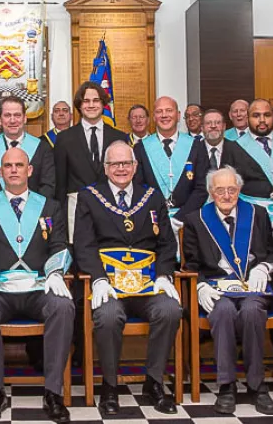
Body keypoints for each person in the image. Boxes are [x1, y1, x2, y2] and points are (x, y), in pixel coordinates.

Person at [73, 140, 181, 416]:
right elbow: (83, 245)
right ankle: (109, 386)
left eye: (126, 163)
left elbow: (167, 244)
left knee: (170, 310)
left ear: (135, 167)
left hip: (147, 285)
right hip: (109, 286)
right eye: (114, 164)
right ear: (105, 167)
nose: (121, 168)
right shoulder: (89, 196)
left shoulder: (153, 197)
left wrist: (165, 275)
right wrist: (97, 279)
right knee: (108, 317)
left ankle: (153, 382)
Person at [0, 147, 74, 424]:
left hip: (39, 288)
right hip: (0, 289)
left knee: (63, 306)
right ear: (0, 172)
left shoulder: (50, 206)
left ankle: (52, 392)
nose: (13, 170)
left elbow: (59, 244)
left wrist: (55, 273)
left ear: (30, 170)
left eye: (19, 165)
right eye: (7, 166)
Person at [182, 166, 273, 415]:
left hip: (252, 287)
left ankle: (257, 385)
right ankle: (226, 386)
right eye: (220, 190)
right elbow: (190, 264)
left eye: (232, 190)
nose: (226, 195)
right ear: (211, 192)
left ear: (240, 190)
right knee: (222, 311)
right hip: (217, 289)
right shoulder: (196, 219)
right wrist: (200, 284)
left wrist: (264, 267)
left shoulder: (257, 214)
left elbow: (272, 251)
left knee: (252, 312)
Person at [54, 81, 128, 240]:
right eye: (86, 101)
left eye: (96, 100)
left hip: (112, 210)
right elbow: (59, 183)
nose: (91, 105)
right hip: (76, 211)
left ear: (103, 104)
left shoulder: (119, 137)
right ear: (79, 106)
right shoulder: (64, 139)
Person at [133, 96, 209, 234]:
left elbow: (202, 188)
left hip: (189, 222)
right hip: (152, 223)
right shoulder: (140, 149)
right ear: (154, 117)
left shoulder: (196, 146)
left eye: (169, 110)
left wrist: (179, 218)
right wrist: (158, 217)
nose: (164, 115)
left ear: (178, 115)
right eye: (159, 111)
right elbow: (138, 187)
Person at [220, 99, 273, 221]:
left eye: (267, 115)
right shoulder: (233, 148)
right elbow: (227, 186)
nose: (262, 120)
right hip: (250, 215)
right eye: (256, 116)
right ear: (247, 118)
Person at [0, 96, 55, 199]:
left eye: (17, 115)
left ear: (25, 118)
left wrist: (28, 210)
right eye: (7, 115)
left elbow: (48, 187)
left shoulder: (43, 148)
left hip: (33, 212)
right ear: (0, 119)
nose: (12, 120)